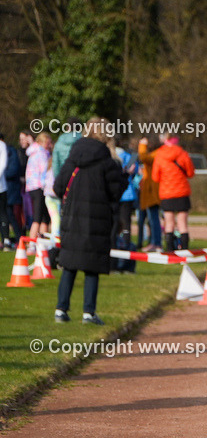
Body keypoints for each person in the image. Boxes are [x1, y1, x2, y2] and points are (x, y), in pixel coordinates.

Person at [53, 118, 126, 325]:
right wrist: (124, 177)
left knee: (69, 264)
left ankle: (61, 309)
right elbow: (115, 192)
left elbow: (58, 187)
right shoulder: (107, 161)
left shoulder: (73, 156)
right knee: (92, 266)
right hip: (97, 219)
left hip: (73, 217)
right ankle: (88, 312)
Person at [151, 135, 195, 251]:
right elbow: (190, 173)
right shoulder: (183, 153)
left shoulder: (159, 155)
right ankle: (185, 251)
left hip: (167, 193)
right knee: (182, 225)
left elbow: (155, 177)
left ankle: (170, 252)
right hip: (182, 193)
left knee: (169, 224)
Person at [136, 136, 162, 251]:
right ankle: (154, 242)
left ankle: (156, 243)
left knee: (154, 219)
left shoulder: (156, 154)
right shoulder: (157, 154)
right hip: (150, 191)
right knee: (152, 219)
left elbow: (143, 157)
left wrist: (142, 145)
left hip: (153, 192)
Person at [25, 133, 53, 241]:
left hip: (32, 186)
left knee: (44, 216)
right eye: (48, 143)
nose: (49, 145)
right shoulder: (42, 153)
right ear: (42, 142)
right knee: (38, 217)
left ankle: (42, 242)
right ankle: (33, 243)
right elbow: (45, 171)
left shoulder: (33, 152)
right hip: (40, 187)